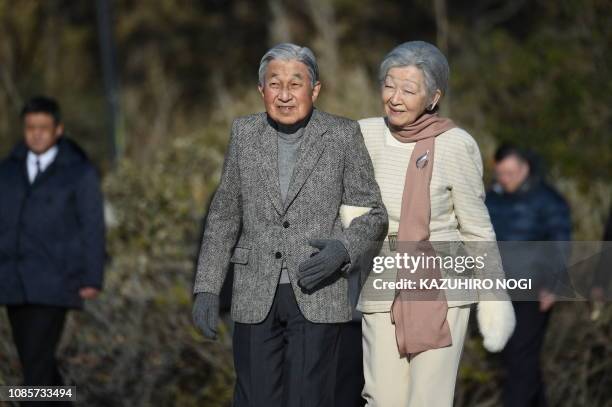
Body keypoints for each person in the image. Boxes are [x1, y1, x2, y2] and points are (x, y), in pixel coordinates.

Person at [191, 43, 387, 407]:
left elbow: (374, 214)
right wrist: (206, 288)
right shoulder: (244, 133)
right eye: (274, 84)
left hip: (318, 290)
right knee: (255, 399)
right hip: (252, 293)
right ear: (261, 90)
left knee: (309, 398)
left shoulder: (342, 135)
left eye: (295, 84)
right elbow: (223, 217)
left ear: (314, 90)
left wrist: (342, 249)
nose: (284, 95)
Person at [355, 41, 516, 407]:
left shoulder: (456, 144)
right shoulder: (361, 135)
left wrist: (493, 294)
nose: (395, 98)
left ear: (433, 97)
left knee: (428, 400)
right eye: (389, 85)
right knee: (382, 398)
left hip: (443, 287)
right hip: (381, 280)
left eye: (408, 90)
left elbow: (476, 228)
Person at [0, 96, 106, 401]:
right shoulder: (7, 172)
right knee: (39, 366)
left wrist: (92, 276)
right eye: (30, 127)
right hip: (14, 282)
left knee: (35, 370)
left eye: (43, 128)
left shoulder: (78, 172)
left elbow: (92, 225)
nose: (36, 134)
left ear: (58, 130)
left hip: (56, 281)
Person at [486, 144, 572, 407]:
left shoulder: (548, 200)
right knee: (517, 358)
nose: (506, 179)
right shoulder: (491, 198)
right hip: (498, 288)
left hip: (534, 291)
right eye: (501, 174)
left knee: (521, 357)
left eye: (511, 173)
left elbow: (560, 244)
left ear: (525, 168)